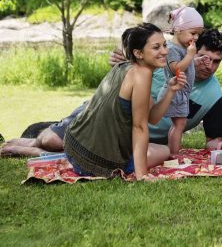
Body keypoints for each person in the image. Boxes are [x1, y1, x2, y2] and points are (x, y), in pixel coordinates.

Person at [0, 28, 222, 156]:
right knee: (51, 140)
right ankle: (34, 145)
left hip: (134, 142)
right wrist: (120, 58)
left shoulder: (214, 96)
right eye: (203, 57)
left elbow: (214, 141)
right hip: (106, 118)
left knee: (103, 156)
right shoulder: (163, 61)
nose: (208, 65)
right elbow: (130, 60)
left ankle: (30, 149)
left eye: (216, 61)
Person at [64, 23, 184, 179]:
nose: (165, 51)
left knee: (159, 149)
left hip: (73, 145)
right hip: (91, 160)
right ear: (139, 53)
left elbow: (152, 118)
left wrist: (170, 91)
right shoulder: (142, 74)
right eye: (156, 47)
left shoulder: (125, 66)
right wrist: (142, 175)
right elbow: (139, 127)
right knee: (163, 151)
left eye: (164, 45)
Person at [159, 6, 204, 154]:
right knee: (179, 124)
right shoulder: (172, 49)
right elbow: (176, 68)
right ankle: (173, 154)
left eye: (198, 34)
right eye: (193, 33)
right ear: (178, 30)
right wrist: (191, 56)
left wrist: (196, 61)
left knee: (180, 124)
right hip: (174, 93)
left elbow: (186, 65)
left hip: (181, 92)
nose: (196, 38)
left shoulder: (183, 49)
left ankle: (173, 151)